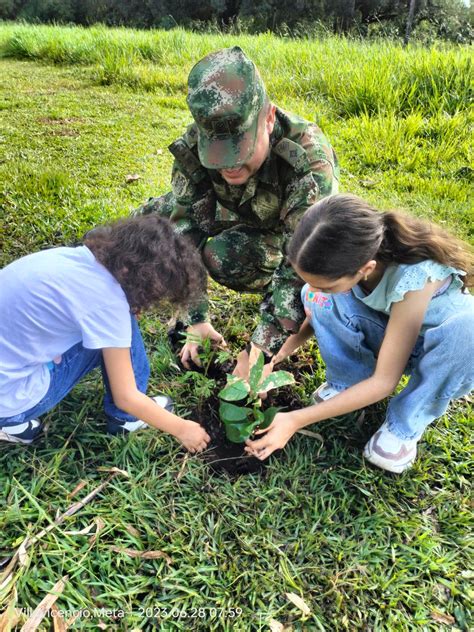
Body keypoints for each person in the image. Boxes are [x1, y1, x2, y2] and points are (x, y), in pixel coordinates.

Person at [136, 46, 339, 377]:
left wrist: (258, 352)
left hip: (277, 229)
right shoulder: (190, 150)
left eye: (240, 149)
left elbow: (301, 266)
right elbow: (184, 231)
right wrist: (196, 320)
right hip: (220, 210)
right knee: (145, 232)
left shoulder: (307, 161)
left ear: (269, 118)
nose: (229, 165)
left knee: (224, 255)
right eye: (217, 153)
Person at [245, 194, 474, 473]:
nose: (315, 290)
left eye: (326, 284)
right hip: (391, 330)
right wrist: (274, 357)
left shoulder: (415, 277)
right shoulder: (355, 258)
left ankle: (404, 426)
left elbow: (384, 382)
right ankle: (349, 383)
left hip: (437, 350)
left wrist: (295, 419)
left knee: (469, 332)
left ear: (365, 269)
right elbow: (315, 310)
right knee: (317, 298)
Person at [0, 215, 211, 453]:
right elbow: (126, 396)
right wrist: (183, 429)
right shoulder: (108, 304)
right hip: (9, 398)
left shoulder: (75, 258)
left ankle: (13, 425)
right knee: (123, 329)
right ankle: (125, 420)